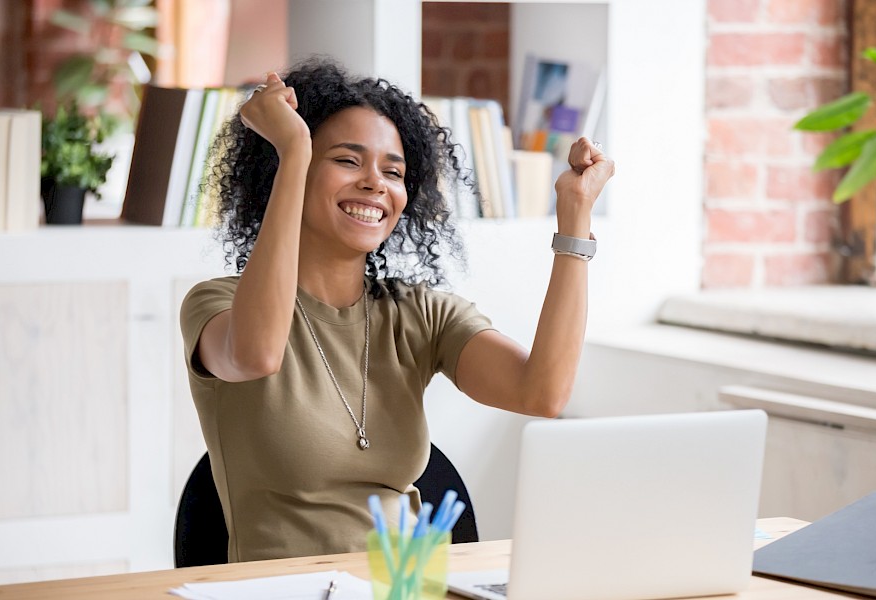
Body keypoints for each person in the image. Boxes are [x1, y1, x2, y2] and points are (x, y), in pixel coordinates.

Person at [180, 58, 614, 563]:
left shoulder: (419, 313)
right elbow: (256, 355)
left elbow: (542, 393)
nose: (375, 183)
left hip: (405, 585)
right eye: (346, 160)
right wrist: (294, 149)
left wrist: (575, 217)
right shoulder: (217, 303)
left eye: (393, 171)